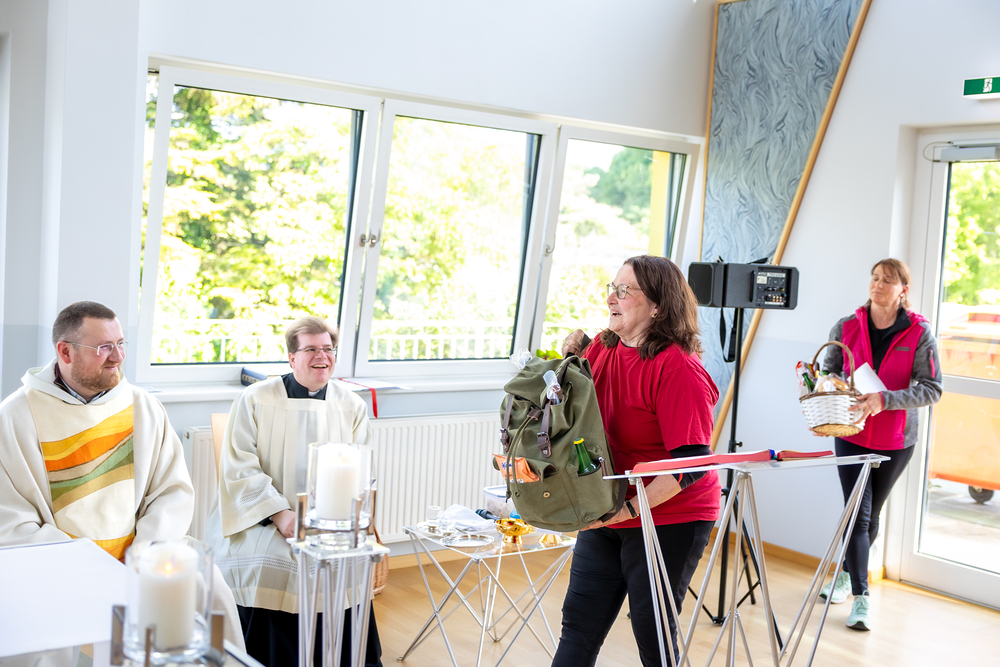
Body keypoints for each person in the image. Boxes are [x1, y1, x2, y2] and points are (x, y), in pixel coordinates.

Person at [0, 300, 244, 647]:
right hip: (60, 565)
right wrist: (89, 567)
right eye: (104, 347)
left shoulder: (143, 406)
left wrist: (142, 556)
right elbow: (10, 519)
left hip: (143, 556)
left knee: (210, 587)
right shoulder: (15, 418)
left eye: (120, 344)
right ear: (65, 352)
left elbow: (172, 493)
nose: (117, 357)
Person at [551, 255, 720, 667]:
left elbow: (691, 465)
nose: (611, 297)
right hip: (609, 505)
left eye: (624, 290)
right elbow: (576, 416)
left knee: (652, 631)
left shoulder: (678, 368)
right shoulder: (603, 348)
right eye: (612, 287)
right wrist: (571, 358)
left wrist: (626, 511)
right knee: (579, 624)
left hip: (671, 514)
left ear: (658, 305)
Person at [211, 316, 382, 667]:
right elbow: (239, 468)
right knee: (279, 563)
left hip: (329, 521)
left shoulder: (351, 405)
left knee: (342, 562)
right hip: (262, 517)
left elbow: (362, 469)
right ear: (291, 358)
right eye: (311, 349)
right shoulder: (256, 399)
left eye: (328, 349)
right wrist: (280, 514)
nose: (322, 356)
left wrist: (335, 519)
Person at [819, 259, 942, 631]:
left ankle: (845, 574)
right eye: (875, 278)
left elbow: (932, 389)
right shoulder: (846, 326)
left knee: (870, 516)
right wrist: (833, 389)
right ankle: (862, 599)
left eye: (888, 280)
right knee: (857, 514)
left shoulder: (919, 333)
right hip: (850, 433)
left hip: (896, 440)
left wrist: (884, 400)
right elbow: (828, 372)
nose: (878, 285)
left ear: (903, 289)